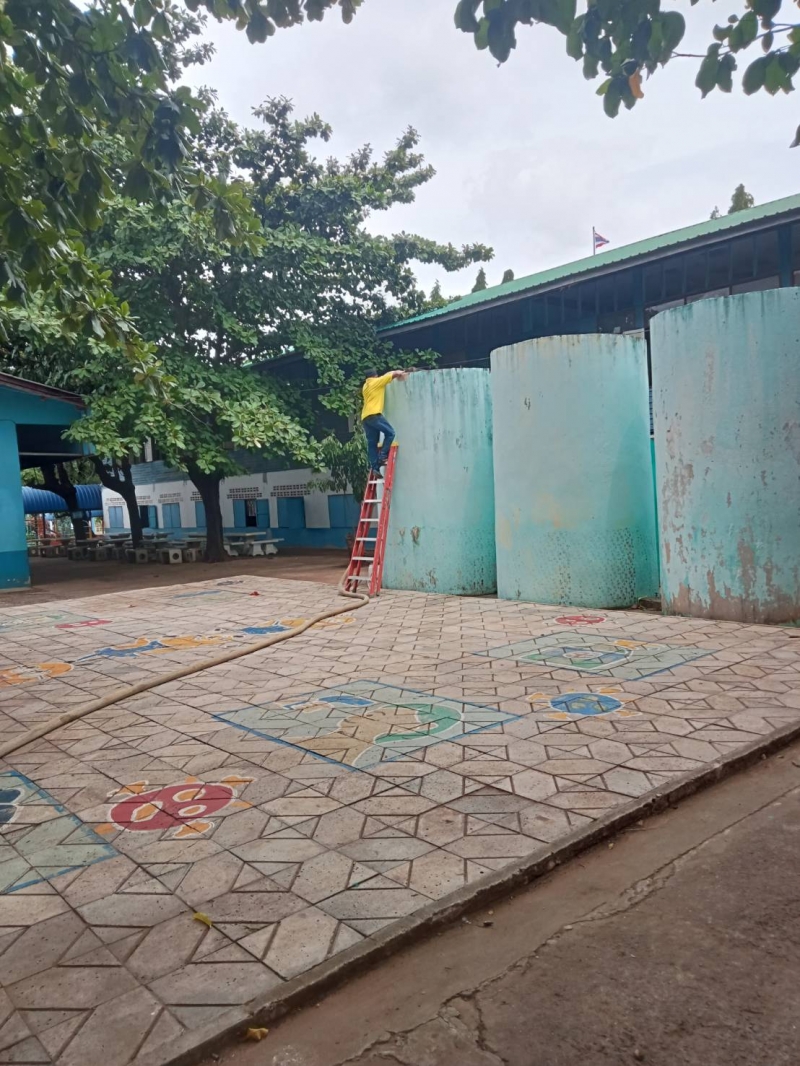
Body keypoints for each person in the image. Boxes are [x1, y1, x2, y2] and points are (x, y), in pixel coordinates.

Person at [361, 368, 408, 477]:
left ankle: (375, 467)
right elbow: (393, 374)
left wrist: (389, 374)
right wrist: (401, 372)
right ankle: (382, 456)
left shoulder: (365, 386)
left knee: (372, 443)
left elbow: (385, 376)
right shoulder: (377, 382)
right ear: (375, 376)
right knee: (390, 433)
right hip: (374, 415)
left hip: (365, 417)